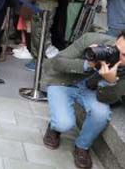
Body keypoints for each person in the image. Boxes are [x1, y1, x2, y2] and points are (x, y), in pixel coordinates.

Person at [41, 32, 125, 169]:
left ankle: (82, 146)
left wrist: (110, 82)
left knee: (101, 114)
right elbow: (58, 62)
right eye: (116, 49)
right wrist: (88, 63)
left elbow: (111, 99)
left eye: (124, 56)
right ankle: (54, 126)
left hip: (93, 91)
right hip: (64, 83)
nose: (117, 56)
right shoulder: (92, 39)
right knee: (63, 123)